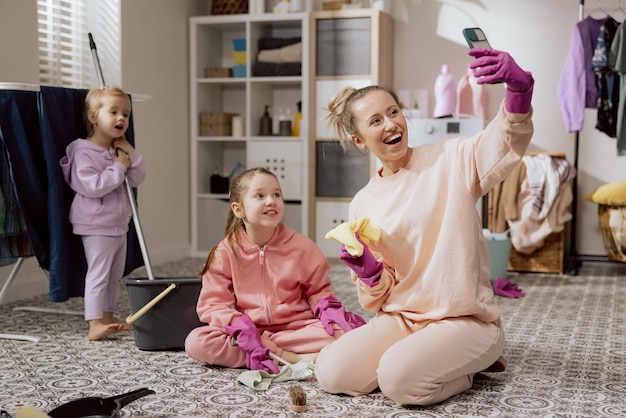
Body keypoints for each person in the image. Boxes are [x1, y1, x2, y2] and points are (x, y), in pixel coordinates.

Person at [315, 48, 534, 406]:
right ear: (359, 140)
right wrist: (370, 274)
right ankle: (426, 356)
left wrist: (519, 90)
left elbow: (504, 140)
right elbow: (374, 299)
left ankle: (471, 365)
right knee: (332, 373)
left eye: (393, 112)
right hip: (403, 318)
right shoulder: (363, 202)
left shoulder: (450, 159)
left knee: (398, 382)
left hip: (465, 320)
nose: (390, 125)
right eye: (375, 121)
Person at [185, 167, 366, 373]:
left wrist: (327, 308)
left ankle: (271, 354)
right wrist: (238, 324)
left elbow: (318, 291)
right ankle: (292, 357)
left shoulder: (302, 247)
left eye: (276, 194)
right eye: (260, 195)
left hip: (298, 329)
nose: (271, 201)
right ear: (238, 209)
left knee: (350, 332)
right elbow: (213, 304)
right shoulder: (226, 251)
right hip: (252, 331)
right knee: (197, 342)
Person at [60, 86, 145, 341]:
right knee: (98, 273)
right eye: (114, 112)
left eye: (126, 114)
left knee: (114, 275)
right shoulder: (82, 151)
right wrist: (119, 166)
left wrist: (130, 154)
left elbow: (137, 179)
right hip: (96, 224)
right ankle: (94, 322)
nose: (122, 118)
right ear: (93, 116)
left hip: (118, 223)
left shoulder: (117, 151)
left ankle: (108, 316)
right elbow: (93, 186)